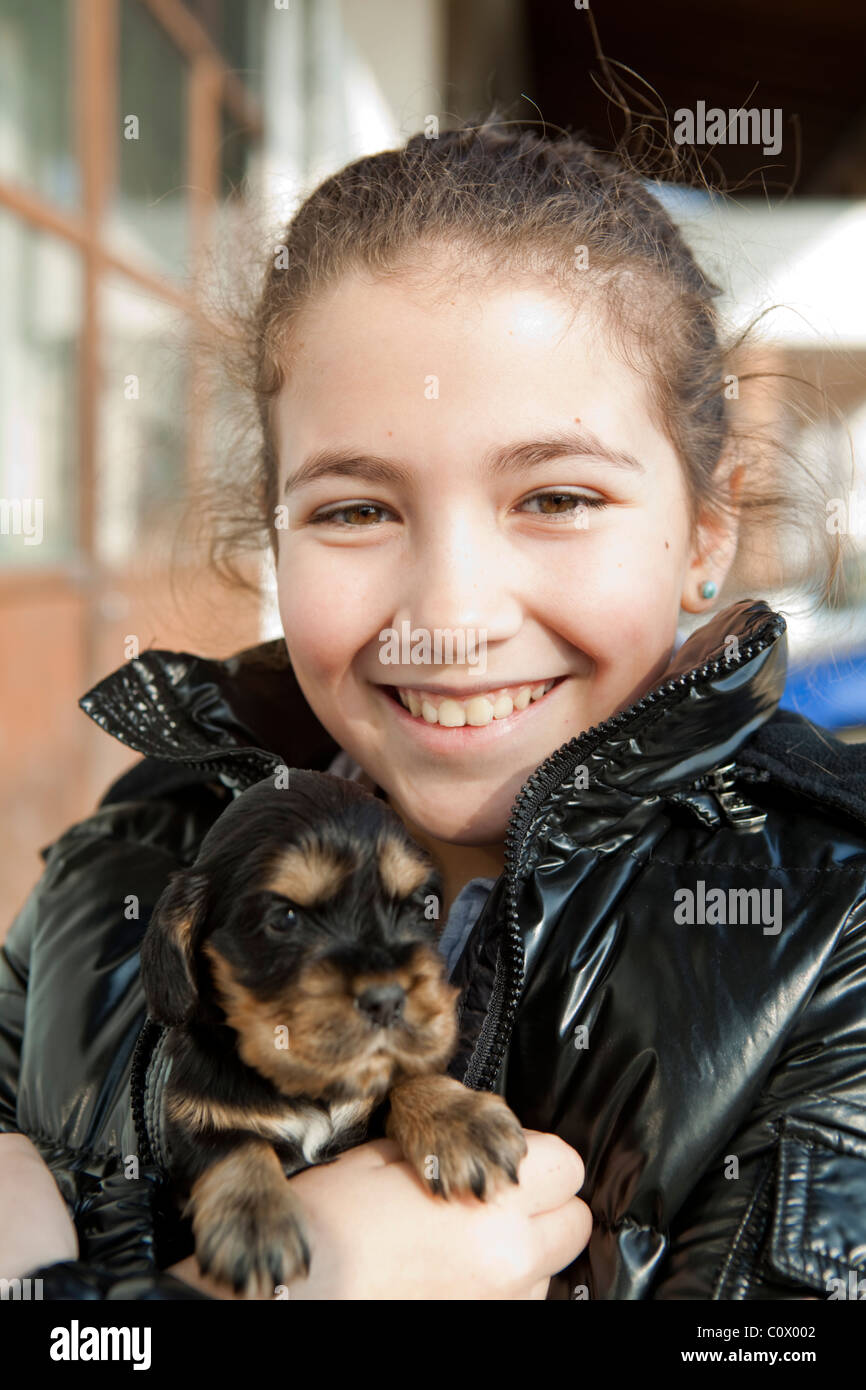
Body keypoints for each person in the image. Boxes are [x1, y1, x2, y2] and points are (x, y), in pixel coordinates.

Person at [2, 113, 866, 1302]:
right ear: (273, 533)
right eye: (355, 509)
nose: (447, 619)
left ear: (704, 533)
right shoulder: (128, 857)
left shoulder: (829, 933)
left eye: (557, 496)